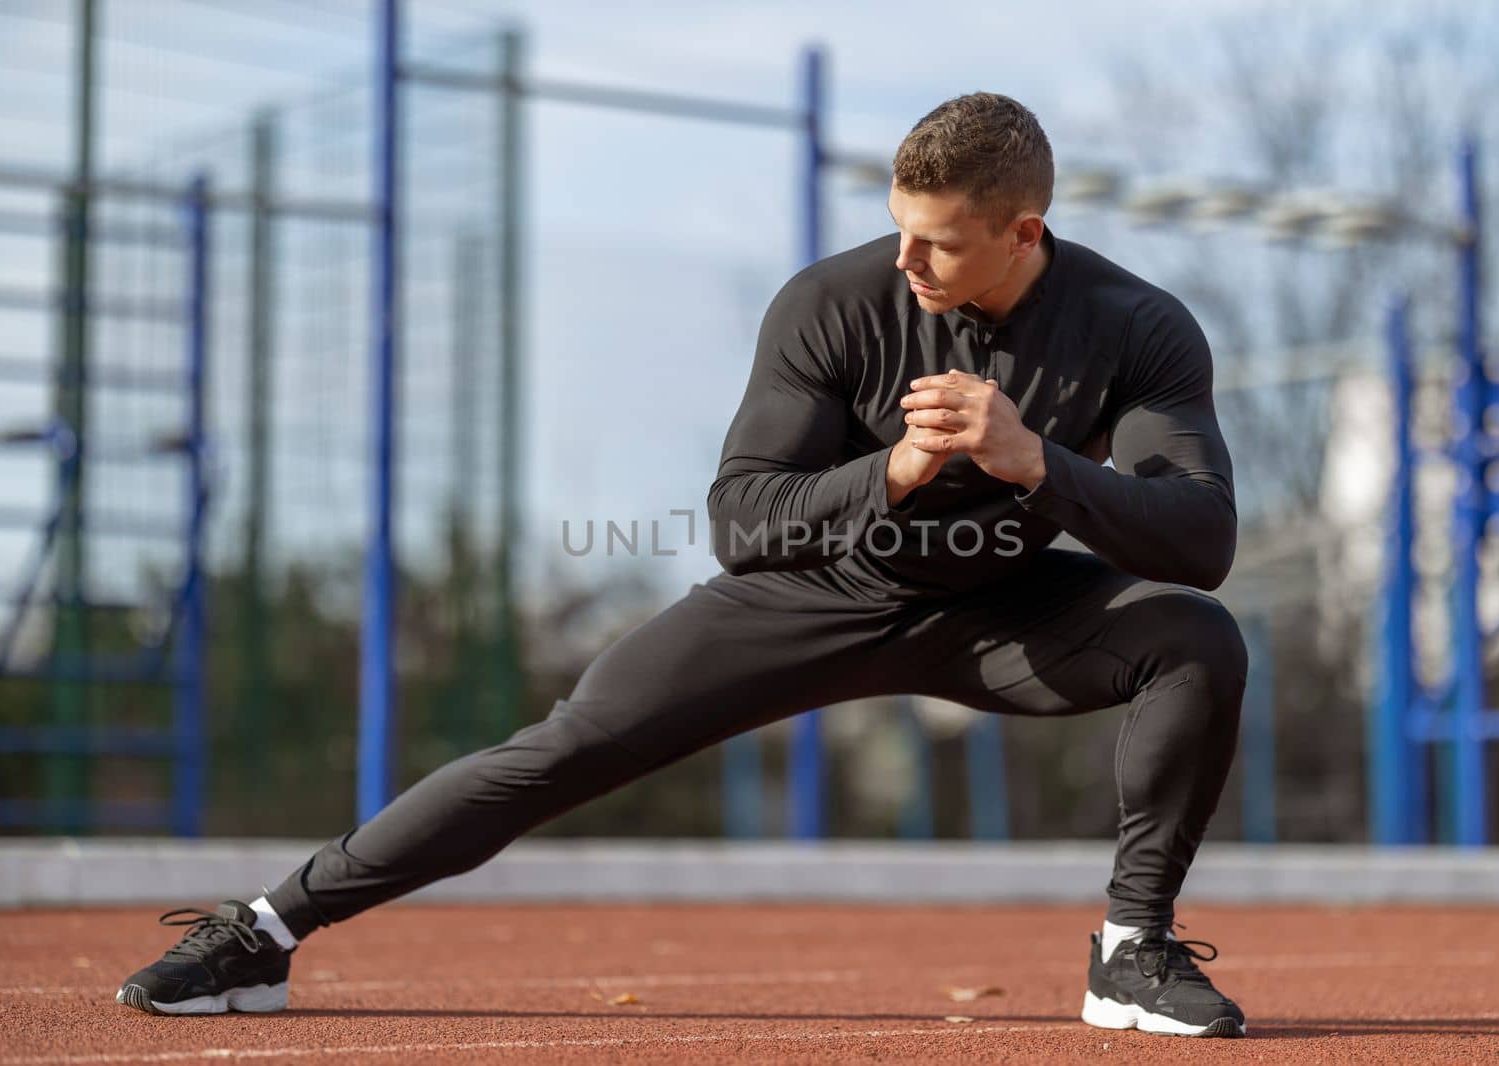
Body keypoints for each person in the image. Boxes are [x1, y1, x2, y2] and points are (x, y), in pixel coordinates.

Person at [116, 92, 1248, 1039]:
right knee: (556, 749)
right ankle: (259, 935)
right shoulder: (834, 303)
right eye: (897, 227)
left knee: (1193, 639)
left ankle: (1129, 951)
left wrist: (1034, 461)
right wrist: (891, 474)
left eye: (939, 239)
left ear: (1023, 231)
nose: (905, 258)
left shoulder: (1135, 327)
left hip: (1006, 611)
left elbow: (1199, 541)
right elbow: (741, 521)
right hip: (813, 589)